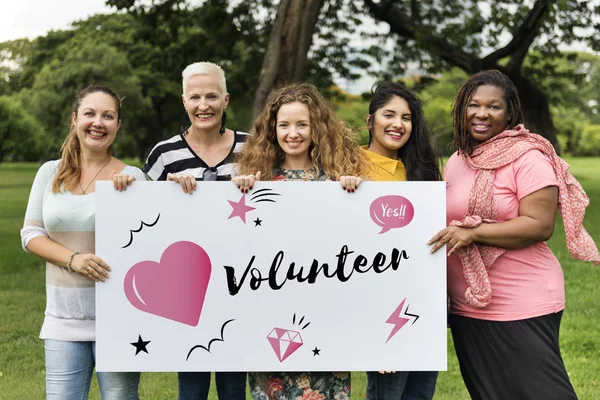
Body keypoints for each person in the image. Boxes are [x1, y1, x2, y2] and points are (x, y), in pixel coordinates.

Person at [428, 70, 600, 400]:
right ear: (461, 109)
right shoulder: (457, 160)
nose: (481, 113)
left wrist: (475, 233)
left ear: (509, 113)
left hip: (522, 300)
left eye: (493, 106)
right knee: (490, 393)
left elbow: (539, 225)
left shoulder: (529, 157)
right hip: (469, 305)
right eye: (473, 105)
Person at [233, 82, 369, 400]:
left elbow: (356, 246)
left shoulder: (336, 184)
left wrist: (354, 193)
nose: (292, 133)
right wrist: (238, 190)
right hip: (271, 318)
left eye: (301, 125)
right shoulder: (257, 183)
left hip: (325, 319)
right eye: (284, 125)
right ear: (272, 129)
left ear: (315, 129)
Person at [20, 85, 144, 399]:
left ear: (119, 125)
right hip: (62, 320)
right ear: (75, 120)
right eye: (90, 114)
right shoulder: (50, 173)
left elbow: (147, 244)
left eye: (108, 116)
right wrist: (73, 259)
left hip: (119, 320)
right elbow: (31, 235)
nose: (98, 122)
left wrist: (133, 197)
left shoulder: (133, 178)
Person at [141, 61, 248, 400]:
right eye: (195, 97)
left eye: (212, 96)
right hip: (187, 289)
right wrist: (162, 191)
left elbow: (276, 204)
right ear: (184, 101)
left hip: (242, 285)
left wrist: (256, 183)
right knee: (191, 388)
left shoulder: (254, 148)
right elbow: (142, 220)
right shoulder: (163, 155)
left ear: (226, 100)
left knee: (234, 388)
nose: (204, 105)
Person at [359, 82, 441, 400]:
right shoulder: (350, 166)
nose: (397, 124)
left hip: (423, 301)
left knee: (419, 394)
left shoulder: (420, 171)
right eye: (388, 114)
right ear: (370, 121)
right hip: (380, 305)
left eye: (406, 118)